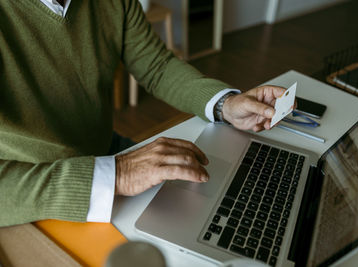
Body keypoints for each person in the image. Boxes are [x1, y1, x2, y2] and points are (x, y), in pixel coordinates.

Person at [0, 0, 286, 226]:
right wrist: (118, 174)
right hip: (31, 190)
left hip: (105, 154)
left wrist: (225, 104)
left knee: (222, 199)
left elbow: (157, 66)